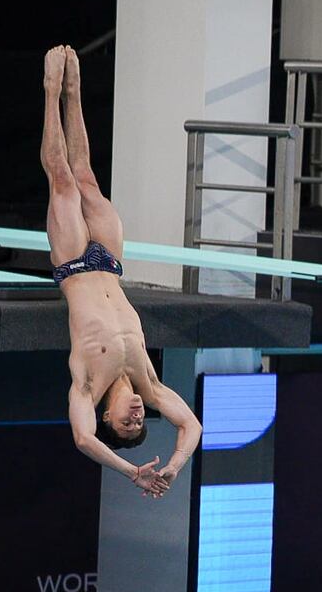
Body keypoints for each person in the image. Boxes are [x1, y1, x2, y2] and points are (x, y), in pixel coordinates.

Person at [41, 45, 202, 494]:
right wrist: (174, 465)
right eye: (141, 423)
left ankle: (51, 89)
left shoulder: (87, 387)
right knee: (86, 175)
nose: (136, 417)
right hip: (110, 263)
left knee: (61, 178)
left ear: (106, 416)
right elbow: (192, 426)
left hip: (73, 264)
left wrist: (130, 471)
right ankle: (74, 92)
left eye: (126, 425)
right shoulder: (150, 385)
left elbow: (82, 439)